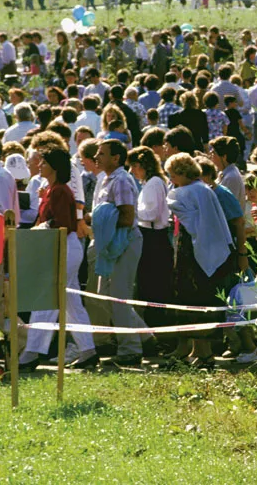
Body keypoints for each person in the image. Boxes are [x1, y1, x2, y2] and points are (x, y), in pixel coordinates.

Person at [19, 148, 97, 370]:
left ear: (53, 166)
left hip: (63, 246)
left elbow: (62, 223)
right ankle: (88, 350)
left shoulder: (60, 191)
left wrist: (37, 230)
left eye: (43, 162)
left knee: (46, 298)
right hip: (61, 246)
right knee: (72, 304)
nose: (40, 166)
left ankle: (32, 352)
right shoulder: (54, 189)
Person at [164, 153, 235, 368]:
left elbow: (191, 219)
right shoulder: (204, 189)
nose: (171, 180)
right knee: (198, 299)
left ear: (182, 173)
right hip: (199, 249)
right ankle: (197, 349)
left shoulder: (188, 192)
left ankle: (204, 353)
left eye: (172, 175)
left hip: (193, 252)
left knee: (195, 299)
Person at [90, 139, 148, 365]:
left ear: (116, 158)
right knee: (105, 294)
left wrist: (101, 225)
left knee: (118, 297)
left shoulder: (121, 180)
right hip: (111, 243)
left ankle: (131, 350)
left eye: (102, 154)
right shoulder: (104, 179)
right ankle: (144, 336)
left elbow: (126, 216)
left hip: (124, 242)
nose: (97, 157)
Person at [127, 146, 174, 334]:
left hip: (154, 238)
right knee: (148, 285)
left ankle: (158, 329)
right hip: (150, 236)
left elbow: (152, 214)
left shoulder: (154, 183)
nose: (132, 171)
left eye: (134, 166)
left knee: (154, 285)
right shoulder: (150, 183)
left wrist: (132, 211)